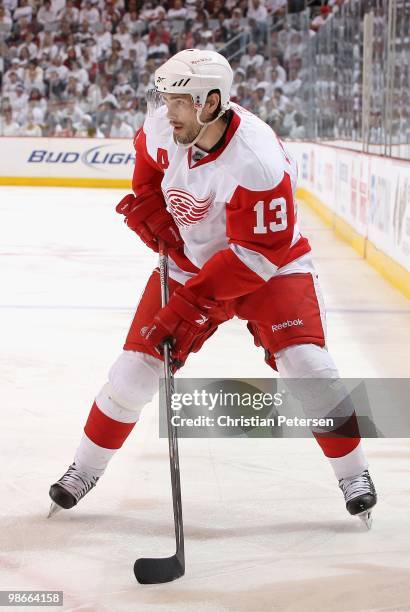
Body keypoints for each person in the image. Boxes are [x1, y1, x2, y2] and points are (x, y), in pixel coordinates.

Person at [49, 49, 377, 526]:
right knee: (132, 373)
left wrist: (189, 307)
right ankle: (84, 468)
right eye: (164, 99)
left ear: (211, 102)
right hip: (192, 263)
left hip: (269, 268)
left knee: (309, 367)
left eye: (178, 101)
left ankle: (355, 474)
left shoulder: (257, 160)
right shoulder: (167, 128)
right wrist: (149, 205)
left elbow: (258, 254)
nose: (167, 111)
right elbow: (148, 162)